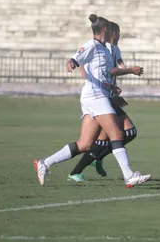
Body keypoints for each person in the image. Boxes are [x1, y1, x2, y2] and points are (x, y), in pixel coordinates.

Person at [34, 14, 150, 188]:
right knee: (117, 134)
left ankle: (45, 163)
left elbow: (109, 71)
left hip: (96, 96)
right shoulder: (92, 45)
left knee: (86, 143)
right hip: (95, 96)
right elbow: (76, 58)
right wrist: (71, 63)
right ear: (105, 30)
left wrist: (114, 86)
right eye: (110, 28)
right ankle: (129, 176)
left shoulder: (104, 48)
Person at [68, 21, 142, 181]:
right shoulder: (103, 47)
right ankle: (80, 168)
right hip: (101, 97)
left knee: (114, 136)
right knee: (110, 137)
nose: (119, 36)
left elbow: (114, 69)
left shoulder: (115, 49)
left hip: (108, 94)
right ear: (113, 33)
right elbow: (108, 70)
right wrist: (129, 71)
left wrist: (115, 86)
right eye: (118, 33)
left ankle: (86, 165)